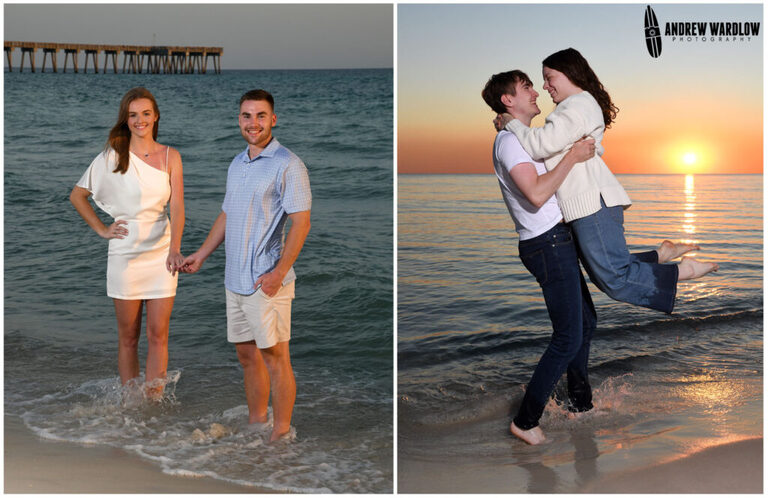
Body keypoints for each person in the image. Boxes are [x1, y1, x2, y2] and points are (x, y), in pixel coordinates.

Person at [498, 48, 718, 315]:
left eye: (549, 77)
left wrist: (512, 123)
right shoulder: (574, 106)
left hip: (592, 201)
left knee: (613, 278)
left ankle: (685, 270)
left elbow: (541, 146)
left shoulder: (576, 105)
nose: (544, 86)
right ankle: (663, 254)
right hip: (588, 202)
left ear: (569, 73)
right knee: (604, 269)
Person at [180, 89, 311, 443]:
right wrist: (202, 254)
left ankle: (280, 434)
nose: (253, 123)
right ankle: (257, 423)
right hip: (233, 279)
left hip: (265, 281)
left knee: (275, 357)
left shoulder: (288, 164)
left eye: (260, 116)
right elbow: (228, 213)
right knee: (246, 356)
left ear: (273, 119)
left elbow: (301, 222)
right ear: (239, 120)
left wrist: (279, 273)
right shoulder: (237, 163)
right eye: (246, 116)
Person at [482, 70, 599, 445]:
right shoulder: (508, 143)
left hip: (555, 239)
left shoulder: (521, 139)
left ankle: (580, 404)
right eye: (526, 87)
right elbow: (535, 194)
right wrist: (574, 157)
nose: (535, 92)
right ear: (508, 100)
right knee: (567, 336)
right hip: (545, 244)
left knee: (586, 323)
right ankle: (525, 420)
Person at [70, 87, 185, 400]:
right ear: (126, 118)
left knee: (158, 335)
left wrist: (175, 248)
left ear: (155, 116)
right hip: (125, 254)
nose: (140, 120)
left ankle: (154, 403)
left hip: (161, 253)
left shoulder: (171, 156)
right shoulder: (112, 156)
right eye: (133, 115)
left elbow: (177, 208)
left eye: (145, 114)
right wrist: (103, 229)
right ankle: (131, 405)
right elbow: (78, 195)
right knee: (129, 337)